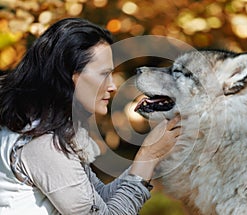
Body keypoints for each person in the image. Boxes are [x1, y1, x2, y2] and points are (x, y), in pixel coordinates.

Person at [0, 18, 181, 214]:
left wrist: (151, 155)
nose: (112, 86)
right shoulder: (43, 144)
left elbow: (99, 198)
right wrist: (148, 156)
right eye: (104, 74)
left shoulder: (41, 126)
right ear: (71, 76)